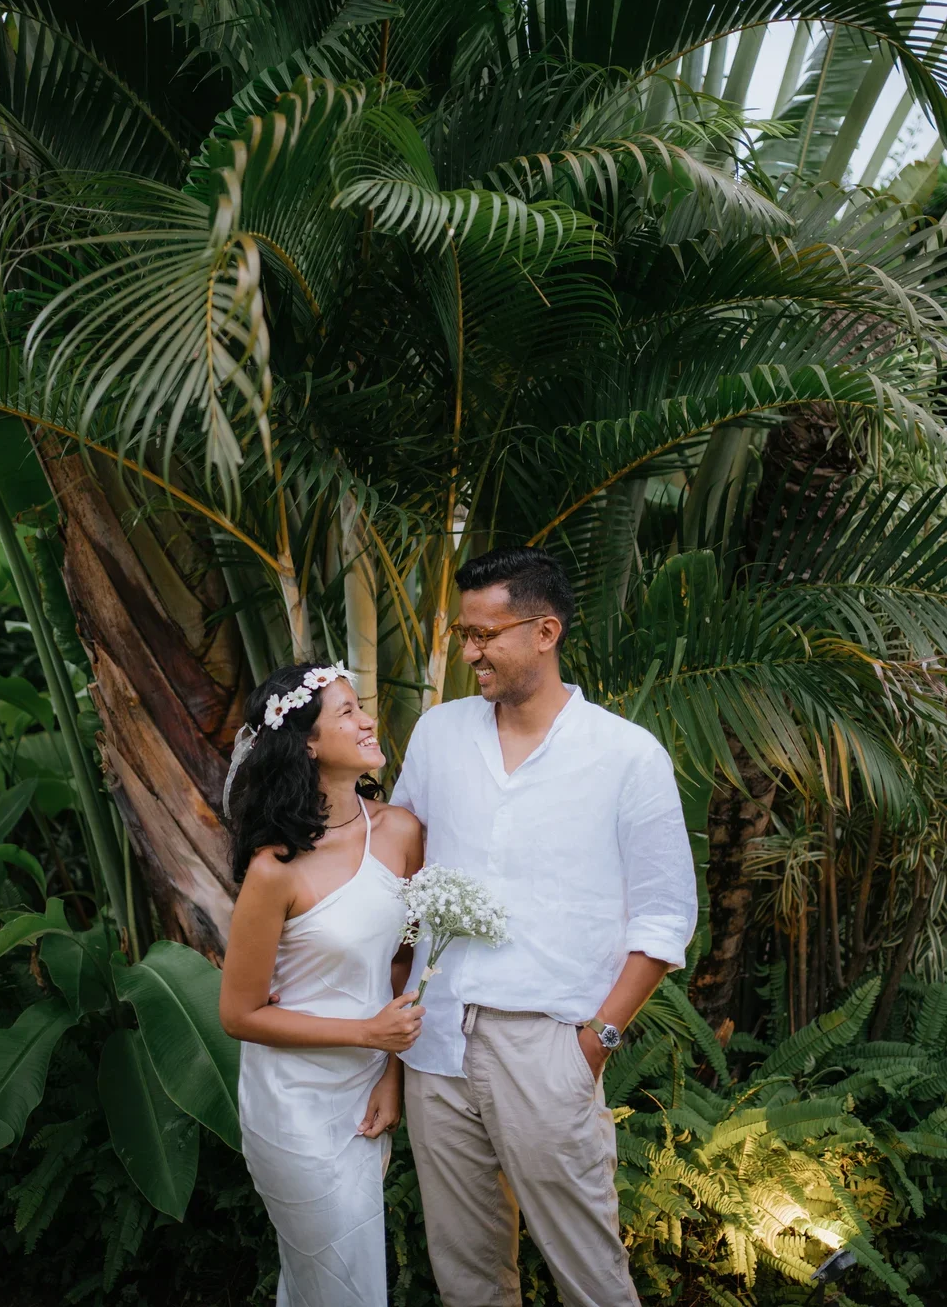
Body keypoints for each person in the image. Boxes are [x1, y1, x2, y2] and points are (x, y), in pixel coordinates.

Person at [392, 548, 699, 1307]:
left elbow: (665, 919)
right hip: (435, 1045)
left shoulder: (627, 757)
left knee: (590, 1279)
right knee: (466, 1279)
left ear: (545, 631)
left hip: (549, 1046)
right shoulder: (438, 735)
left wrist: (596, 1043)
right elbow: (400, 859)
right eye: (464, 635)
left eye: (484, 635)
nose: (469, 654)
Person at [218, 660, 424, 1307]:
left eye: (359, 707)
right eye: (346, 712)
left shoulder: (401, 833)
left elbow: (401, 965)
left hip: (363, 1096)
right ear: (307, 742)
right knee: (341, 1277)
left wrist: (388, 1069)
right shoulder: (274, 869)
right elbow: (239, 1013)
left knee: (332, 1277)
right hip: (293, 1105)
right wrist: (368, 1033)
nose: (367, 720)